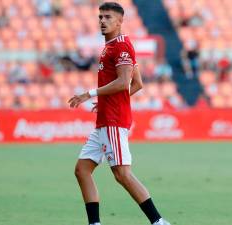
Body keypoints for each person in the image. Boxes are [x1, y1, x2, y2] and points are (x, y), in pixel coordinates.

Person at [68, 3, 171, 225]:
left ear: (119, 21)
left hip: (113, 120)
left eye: (108, 17)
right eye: (100, 17)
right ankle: (94, 223)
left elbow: (125, 83)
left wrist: (90, 94)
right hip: (105, 118)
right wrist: (106, 101)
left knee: (122, 174)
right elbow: (138, 84)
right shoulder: (111, 46)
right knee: (82, 170)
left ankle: (159, 222)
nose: (102, 21)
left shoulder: (121, 46)